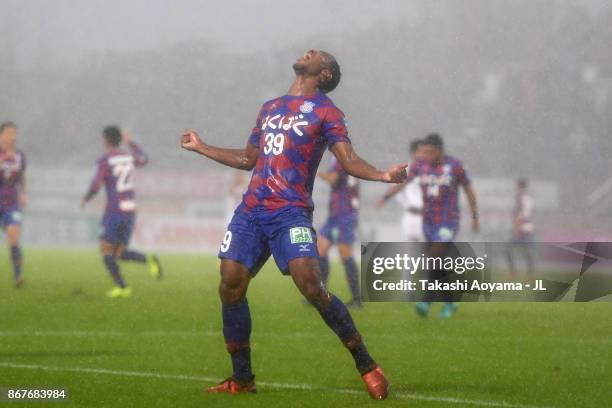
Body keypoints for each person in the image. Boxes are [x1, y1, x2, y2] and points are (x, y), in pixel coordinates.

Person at [181, 49, 407, 400]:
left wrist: (382, 175)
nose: (309, 52)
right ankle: (242, 379)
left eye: (317, 54)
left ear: (325, 74)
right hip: (251, 211)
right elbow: (247, 159)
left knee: (312, 287)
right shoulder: (270, 107)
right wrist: (201, 147)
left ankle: (366, 364)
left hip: (290, 212)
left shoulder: (327, 112)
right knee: (230, 284)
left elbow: (348, 160)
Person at [378, 133, 479, 318]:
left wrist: (474, 217)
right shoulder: (419, 165)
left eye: (429, 152)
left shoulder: (455, 166)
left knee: (433, 259)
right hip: (428, 222)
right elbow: (403, 182)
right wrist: (386, 196)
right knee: (436, 265)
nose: (425, 155)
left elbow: (469, 191)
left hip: (448, 221)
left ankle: (425, 301)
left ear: (439, 151)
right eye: (423, 152)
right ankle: (449, 303)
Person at [81, 126, 162, 298]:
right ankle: (148, 259)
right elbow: (144, 159)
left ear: (105, 140)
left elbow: (96, 185)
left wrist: (86, 198)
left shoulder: (105, 160)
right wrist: (131, 142)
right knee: (119, 253)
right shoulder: (129, 157)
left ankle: (123, 287)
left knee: (105, 249)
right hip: (130, 210)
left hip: (115, 211)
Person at [317, 156, 361, 308]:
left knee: (345, 253)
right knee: (320, 248)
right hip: (337, 213)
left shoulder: (340, 157)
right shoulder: (346, 156)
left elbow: (333, 179)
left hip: (345, 213)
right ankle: (321, 294)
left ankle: (356, 298)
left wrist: (316, 173)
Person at [0, 122, 27, 288]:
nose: (13, 137)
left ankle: (18, 275)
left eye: (15, 133)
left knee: (13, 233)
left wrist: (24, 192)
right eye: (9, 133)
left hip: (11, 202)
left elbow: (22, 176)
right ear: (1, 135)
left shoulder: (20, 155)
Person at [506, 178, 535, 278]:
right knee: (525, 251)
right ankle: (527, 273)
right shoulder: (527, 198)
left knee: (511, 249)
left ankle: (517, 272)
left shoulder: (521, 198)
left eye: (517, 186)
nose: (516, 188)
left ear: (520, 187)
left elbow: (521, 214)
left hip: (522, 228)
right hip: (526, 227)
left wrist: (516, 227)